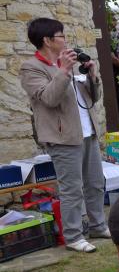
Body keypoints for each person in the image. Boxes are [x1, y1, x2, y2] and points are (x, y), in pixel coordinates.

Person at [20, 18, 109, 254]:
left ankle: (98, 226)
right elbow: (49, 98)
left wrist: (92, 75)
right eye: (61, 36)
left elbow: (93, 98)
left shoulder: (69, 63)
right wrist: (64, 71)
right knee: (72, 189)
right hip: (62, 137)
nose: (65, 40)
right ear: (47, 40)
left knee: (95, 184)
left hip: (87, 132)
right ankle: (73, 236)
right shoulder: (31, 68)